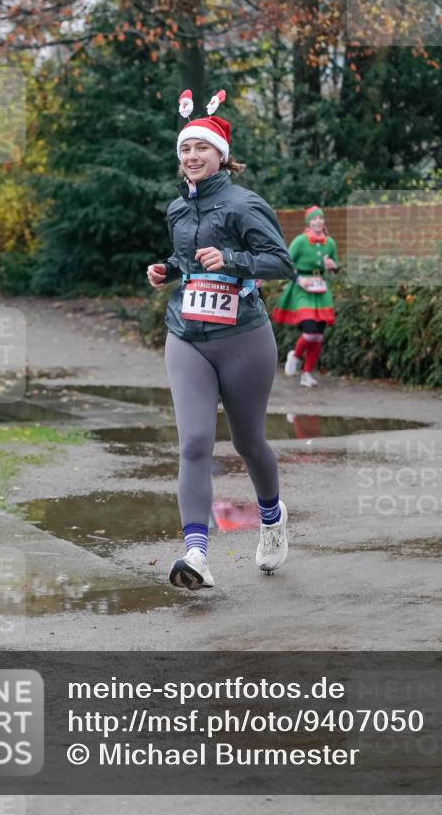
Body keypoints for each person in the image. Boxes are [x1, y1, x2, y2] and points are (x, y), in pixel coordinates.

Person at [147, 88, 294, 591]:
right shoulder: (176, 208)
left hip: (243, 337)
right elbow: (186, 256)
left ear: (220, 155)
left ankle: (272, 520)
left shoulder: (245, 204)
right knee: (193, 442)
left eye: (201, 149)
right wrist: (168, 269)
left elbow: (282, 263)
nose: (192, 157)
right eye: (185, 150)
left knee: (248, 441)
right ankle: (196, 553)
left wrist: (230, 261)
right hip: (186, 333)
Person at [272, 205, 339, 387]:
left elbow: (335, 269)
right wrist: (298, 279)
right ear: (309, 222)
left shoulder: (330, 243)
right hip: (302, 289)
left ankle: (307, 374)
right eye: (315, 219)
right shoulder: (300, 241)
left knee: (318, 336)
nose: (318, 222)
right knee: (309, 332)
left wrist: (333, 267)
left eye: (321, 218)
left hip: (321, 291)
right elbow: (285, 263)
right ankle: (294, 356)